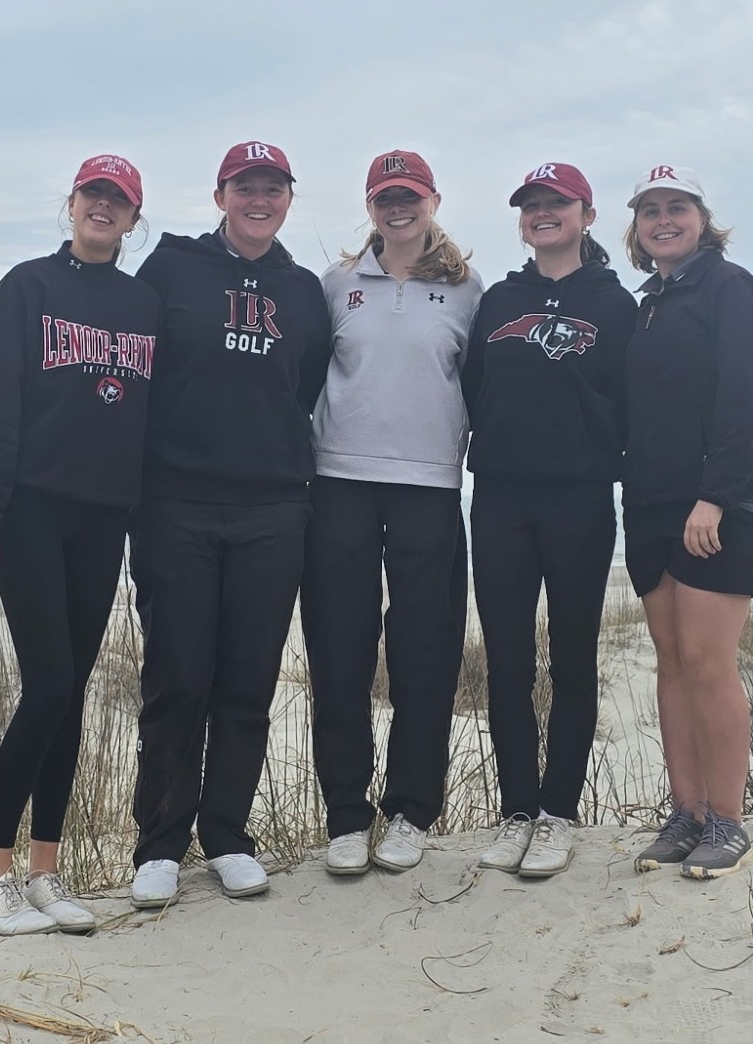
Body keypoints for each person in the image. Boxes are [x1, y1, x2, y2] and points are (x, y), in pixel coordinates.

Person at [0, 154, 158, 935]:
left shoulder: (144, 304)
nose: (104, 208)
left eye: (119, 200)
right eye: (93, 195)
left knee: (70, 692)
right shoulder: (27, 288)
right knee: (48, 685)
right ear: (71, 205)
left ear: (134, 219)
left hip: (103, 519)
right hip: (32, 513)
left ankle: (46, 871)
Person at [127, 140, 333, 908]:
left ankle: (228, 835)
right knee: (179, 677)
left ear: (288, 199)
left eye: (274, 188)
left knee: (248, 680)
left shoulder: (304, 290)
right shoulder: (172, 270)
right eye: (245, 186)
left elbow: (303, 386)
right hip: (175, 503)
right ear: (220, 195)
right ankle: (159, 845)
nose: (260, 199)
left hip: (275, 506)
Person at [304, 150, 483, 876]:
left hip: (431, 489)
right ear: (370, 205)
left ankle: (411, 812)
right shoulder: (334, 285)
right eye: (385, 197)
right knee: (340, 654)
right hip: (338, 483)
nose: (397, 207)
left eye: (409, 195)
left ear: (433, 199)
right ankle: (346, 816)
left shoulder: (471, 290)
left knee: (425, 657)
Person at [461, 163, 636, 878]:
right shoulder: (501, 298)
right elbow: (472, 385)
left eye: (555, 204)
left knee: (572, 657)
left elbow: (639, 395)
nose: (542, 214)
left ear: (587, 216)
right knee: (507, 661)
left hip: (581, 499)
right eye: (531, 205)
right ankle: (516, 810)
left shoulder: (616, 305)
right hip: (501, 498)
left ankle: (559, 812)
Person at [620, 165, 753, 880]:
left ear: (702, 217)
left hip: (724, 502)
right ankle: (684, 815)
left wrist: (714, 496)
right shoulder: (647, 303)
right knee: (672, 662)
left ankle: (727, 820)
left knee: (709, 661)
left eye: (676, 207)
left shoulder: (733, 290)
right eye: (650, 210)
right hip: (651, 501)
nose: (663, 219)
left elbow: (744, 402)